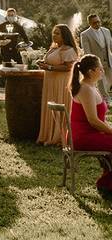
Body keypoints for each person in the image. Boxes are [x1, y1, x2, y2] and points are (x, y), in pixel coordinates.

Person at [70, 54, 112, 195]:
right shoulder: (86, 89)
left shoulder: (91, 87)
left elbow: (99, 119)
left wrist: (109, 128)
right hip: (82, 137)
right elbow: (93, 121)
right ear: (91, 71)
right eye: (100, 68)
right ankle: (105, 184)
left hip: (90, 134)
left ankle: (107, 183)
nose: (102, 71)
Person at [37, 24, 79, 146]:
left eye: (57, 33)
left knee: (59, 105)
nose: (54, 35)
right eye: (53, 33)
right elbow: (51, 62)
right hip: (50, 82)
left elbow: (68, 67)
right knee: (50, 106)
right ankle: (48, 134)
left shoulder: (69, 50)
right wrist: (43, 63)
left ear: (64, 35)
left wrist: (49, 67)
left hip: (61, 82)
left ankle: (60, 137)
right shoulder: (54, 48)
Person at [80, 14, 112, 102]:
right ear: (90, 23)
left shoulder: (106, 31)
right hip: (96, 63)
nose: (97, 24)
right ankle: (106, 101)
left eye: (98, 21)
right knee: (101, 83)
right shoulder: (85, 34)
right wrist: (92, 64)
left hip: (109, 61)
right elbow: (87, 51)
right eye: (94, 22)